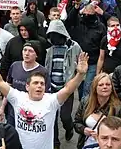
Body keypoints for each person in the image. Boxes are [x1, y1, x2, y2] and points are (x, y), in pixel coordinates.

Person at [0, 49, 89, 149]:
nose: (39, 86)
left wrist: (80, 74)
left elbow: (67, 89)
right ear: (27, 86)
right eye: (35, 83)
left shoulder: (51, 101)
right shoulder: (18, 97)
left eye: (42, 84)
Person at [46, 20, 82, 148]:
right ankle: (55, 143)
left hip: (67, 87)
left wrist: (77, 77)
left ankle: (69, 127)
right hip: (52, 88)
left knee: (65, 116)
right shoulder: (50, 49)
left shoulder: (74, 46)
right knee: (52, 118)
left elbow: (81, 61)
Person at [0, 41, 51, 126]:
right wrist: (2, 107)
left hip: (31, 115)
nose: (26, 53)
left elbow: (46, 96)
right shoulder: (15, 66)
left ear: (36, 55)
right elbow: (8, 89)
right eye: (25, 50)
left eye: (30, 51)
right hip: (13, 112)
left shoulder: (43, 72)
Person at [74, 73, 121, 149]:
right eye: (101, 85)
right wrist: (83, 129)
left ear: (112, 87)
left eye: (108, 84)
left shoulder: (118, 107)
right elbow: (76, 122)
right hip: (87, 144)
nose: (105, 87)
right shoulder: (85, 102)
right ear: (95, 88)